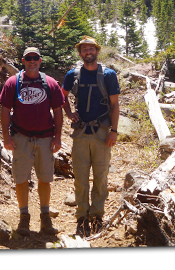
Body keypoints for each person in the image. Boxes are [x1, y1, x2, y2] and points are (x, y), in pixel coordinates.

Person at [0, 47, 66, 236]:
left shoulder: (49, 83)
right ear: (23, 60)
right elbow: (4, 110)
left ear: (40, 60)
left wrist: (58, 137)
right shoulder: (13, 83)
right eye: (29, 58)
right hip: (21, 138)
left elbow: (58, 111)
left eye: (35, 58)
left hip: (45, 138)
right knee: (21, 179)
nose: (32, 61)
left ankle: (45, 219)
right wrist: (6, 137)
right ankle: (24, 219)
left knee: (45, 178)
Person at [62, 36, 120, 236]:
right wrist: (69, 113)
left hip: (103, 133)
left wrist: (114, 131)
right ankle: (81, 217)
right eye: (85, 49)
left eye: (91, 49)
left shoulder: (109, 75)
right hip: (80, 133)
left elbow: (115, 105)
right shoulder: (73, 74)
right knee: (80, 177)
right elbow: (62, 96)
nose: (88, 52)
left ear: (97, 51)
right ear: (80, 53)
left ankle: (97, 216)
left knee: (101, 177)